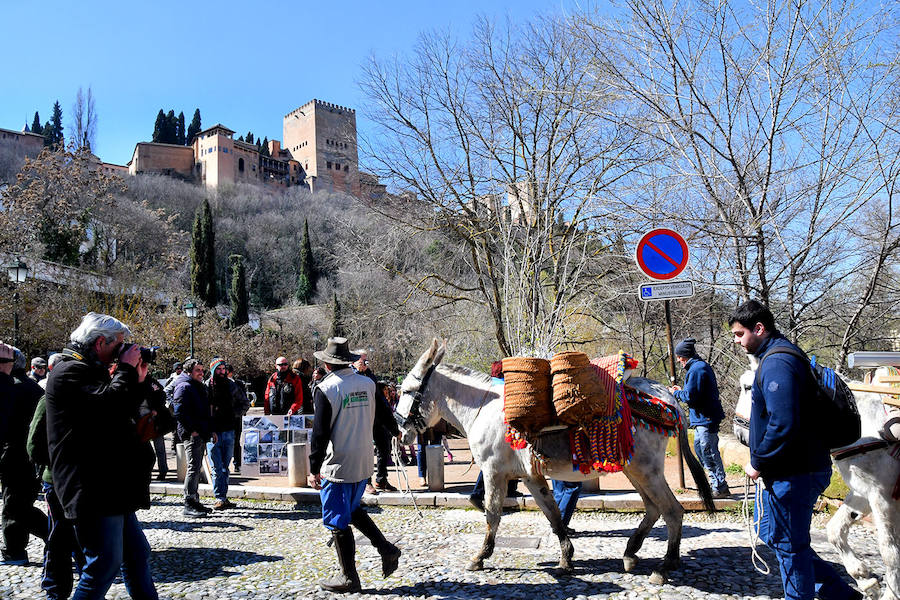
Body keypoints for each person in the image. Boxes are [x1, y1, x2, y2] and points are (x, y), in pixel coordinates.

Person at [730, 300, 862, 600]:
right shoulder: (778, 357)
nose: (737, 342)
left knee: (791, 546)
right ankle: (842, 594)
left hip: (795, 473)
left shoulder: (778, 362)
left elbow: (784, 422)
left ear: (759, 329)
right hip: (791, 471)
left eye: (740, 334)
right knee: (770, 534)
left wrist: (758, 461)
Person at [45, 312, 158, 599]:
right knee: (103, 564)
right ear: (99, 343)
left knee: (136, 555)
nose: (123, 350)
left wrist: (139, 378)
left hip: (109, 484)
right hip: (91, 486)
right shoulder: (69, 372)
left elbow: (124, 411)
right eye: (118, 344)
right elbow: (109, 407)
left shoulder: (91, 370)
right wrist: (126, 369)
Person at [307, 337, 401, 593]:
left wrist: (314, 468)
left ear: (327, 364)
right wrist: (395, 431)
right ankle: (387, 549)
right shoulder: (367, 383)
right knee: (351, 509)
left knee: (337, 520)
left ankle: (349, 578)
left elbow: (319, 433)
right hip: (363, 459)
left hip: (338, 462)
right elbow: (385, 415)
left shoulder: (326, 389)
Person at [1, 347, 48, 566]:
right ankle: (15, 549)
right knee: (19, 504)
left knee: (15, 506)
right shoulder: (31, 387)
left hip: (16, 455)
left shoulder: (14, 388)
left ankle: (16, 550)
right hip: (28, 456)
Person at [669, 337, 729, 498]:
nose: (678, 360)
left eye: (679, 356)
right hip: (702, 418)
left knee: (707, 450)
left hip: (706, 418)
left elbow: (690, 397)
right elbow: (693, 392)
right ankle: (715, 482)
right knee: (700, 449)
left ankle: (720, 485)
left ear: (685, 355)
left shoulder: (697, 369)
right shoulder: (697, 368)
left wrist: (675, 393)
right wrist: (681, 391)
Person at [173, 358, 216, 517]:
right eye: (197, 370)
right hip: (192, 435)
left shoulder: (197, 386)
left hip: (200, 432)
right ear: (189, 371)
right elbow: (179, 412)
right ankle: (189, 502)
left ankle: (195, 501)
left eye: (202, 370)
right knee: (193, 468)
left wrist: (210, 430)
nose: (201, 373)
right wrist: (192, 431)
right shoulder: (184, 386)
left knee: (196, 467)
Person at [353, 350, 400, 493]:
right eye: (362, 360)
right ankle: (366, 482)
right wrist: (358, 371)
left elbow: (379, 398)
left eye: (366, 360)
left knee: (384, 448)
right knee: (365, 451)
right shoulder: (351, 375)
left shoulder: (370, 375)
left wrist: (392, 425)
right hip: (361, 419)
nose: (365, 363)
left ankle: (382, 479)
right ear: (354, 361)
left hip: (377, 418)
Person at [206, 358, 245, 510]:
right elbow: (203, 411)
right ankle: (219, 497)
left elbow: (244, 403)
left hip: (229, 430)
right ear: (213, 370)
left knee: (225, 467)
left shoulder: (231, 385)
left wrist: (233, 414)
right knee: (216, 467)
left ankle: (224, 496)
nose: (221, 372)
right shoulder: (206, 386)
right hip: (212, 432)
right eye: (218, 369)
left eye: (223, 369)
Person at [226, 364, 250, 475]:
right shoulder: (216, 383)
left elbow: (244, 402)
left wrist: (237, 413)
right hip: (223, 419)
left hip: (236, 418)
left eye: (227, 371)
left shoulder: (238, 384)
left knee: (236, 441)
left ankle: (237, 463)